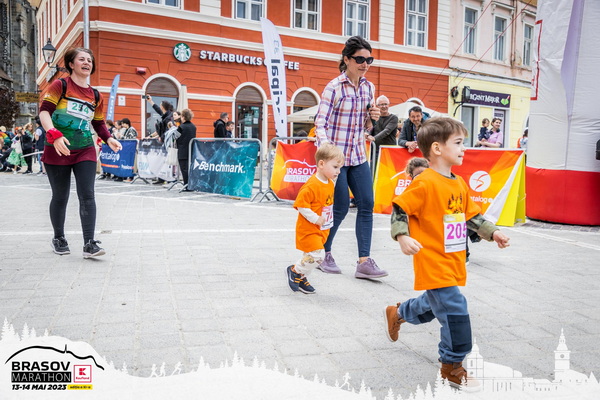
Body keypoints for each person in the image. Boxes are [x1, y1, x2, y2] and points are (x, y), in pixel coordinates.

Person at [383, 117, 510, 389]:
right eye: (458, 142)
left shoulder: (459, 183)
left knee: (433, 303)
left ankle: (399, 312)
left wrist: (493, 232)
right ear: (437, 148)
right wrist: (402, 235)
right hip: (431, 258)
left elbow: (471, 217)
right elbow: (400, 208)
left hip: (454, 258)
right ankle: (451, 367)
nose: (464, 148)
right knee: (454, 307)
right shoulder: (424, 182)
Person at [313, 36, 388, 279]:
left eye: (369, 60)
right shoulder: (334, 87)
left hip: (358, 154)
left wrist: (372, 119)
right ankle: (323, 252)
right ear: (346, 59)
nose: (365, 64)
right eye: (360, 59)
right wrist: (326, 153)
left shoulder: (369, 87)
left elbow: (365, 125)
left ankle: (364, 262)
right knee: (341, 206)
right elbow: (320, 123)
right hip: (337, 159)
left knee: (367, 203)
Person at [39, 47, 122, 258]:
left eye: (89, 60)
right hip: (58, 148)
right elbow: (44, 112)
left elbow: (98, 122)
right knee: (61, 196)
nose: (87, 63)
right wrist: (54, 134)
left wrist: (109, 138)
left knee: (88, 195)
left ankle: (89, 244)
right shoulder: (61, 85)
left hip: (85, 148)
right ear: (71, 64)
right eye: (82, 59)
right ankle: (59, 237)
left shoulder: (95, 95)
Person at [286, 143, 344, 294]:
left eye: (339, 167)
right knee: (317, 255)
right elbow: (301, 205)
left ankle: (302, 277)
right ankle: (295, 270)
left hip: (322, 229)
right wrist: (315, 218)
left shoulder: (330, 182)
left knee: (310, 256)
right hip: (309, 229)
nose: (338, 171)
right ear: (321, 164)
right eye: (335, 167)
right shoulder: (311, 185)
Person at [175, 108, 196, 187]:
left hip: (182, 150)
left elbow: (175, 137)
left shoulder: (181, 127)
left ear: (183, 117)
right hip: (191, 150)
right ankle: (190, 184)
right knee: (190, 168)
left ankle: (186, 185)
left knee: (184, 169)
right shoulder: (193, 126)